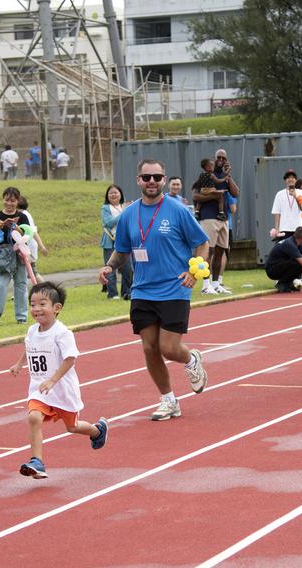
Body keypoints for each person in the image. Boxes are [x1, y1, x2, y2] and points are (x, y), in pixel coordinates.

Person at [98, 158, 210, 421]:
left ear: (163, 179)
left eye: (157, 177)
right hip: (142, 291)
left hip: (175, 288)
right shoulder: (128, 214)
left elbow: (202, 244)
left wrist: (195, 271)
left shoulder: (177, 210)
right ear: (138, 180)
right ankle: (169, 400)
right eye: (146, 177)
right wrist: (108, 267)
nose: (152, 182)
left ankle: (191, 359)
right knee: (149, 348)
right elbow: (122, 251)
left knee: (169, 348)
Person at [9, 281, 109, 479]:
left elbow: (70, 358)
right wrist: (19, 364)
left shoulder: (62, 333)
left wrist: (53, 380)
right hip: (40, 388)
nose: (36, 309)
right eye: (32, 304)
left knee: (72, 427)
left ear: (57, 308)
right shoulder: (31, 331)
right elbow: (29, 347)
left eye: (42, 304)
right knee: (34, 417)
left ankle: (98, 431)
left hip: (62, 388)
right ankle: (37, 461)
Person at [195, 149, 239, 295]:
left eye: (223, 158)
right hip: (209, 217)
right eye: (218, 157)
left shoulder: (224, 176)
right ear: (213, 159)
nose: (220, 159)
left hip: (224, 218)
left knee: (220, 252)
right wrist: (213, 197)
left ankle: (215, 284)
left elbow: (235, 193)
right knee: (209, 251)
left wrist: (228, 175)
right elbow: (195, 196)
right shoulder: (206, 175)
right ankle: (205, 285)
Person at [0, 187, 31, 326]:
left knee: (21, 284)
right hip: (2, 253)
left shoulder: (22, 216)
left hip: (19, 252)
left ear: (17, 201)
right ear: (3, 200)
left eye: (13, 200)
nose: (9, 203)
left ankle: (21, 317)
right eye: (7, 200)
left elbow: (27, 235)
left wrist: (16, 227)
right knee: (1, 285)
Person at [264, 227, 302, 292]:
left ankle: (288, 283)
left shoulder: (300, 245)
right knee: (299, 263)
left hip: (281, 265)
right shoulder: (290, 244)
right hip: (271, 269)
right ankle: (281, 283)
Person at [100, 184, 133, 300]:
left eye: (116, 192)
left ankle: (126, 292)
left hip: (125, 241)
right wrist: (124, 213)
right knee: (110, 268)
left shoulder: (125, 207)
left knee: (128, 269)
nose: (113, 195)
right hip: (110, 241)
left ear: (121, 195)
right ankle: (112, 294)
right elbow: (109, 222)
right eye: (111, 193)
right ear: (107, 196)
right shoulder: (105, 208)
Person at [17, 196, 49, 281]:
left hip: (29, 248)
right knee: (28, 273)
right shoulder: (23, 214)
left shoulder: (24, 215)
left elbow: (33, 232)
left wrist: (42, 247)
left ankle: (45, 289)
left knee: (33, 273)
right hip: (25, 247)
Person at [270, 170, 302, 242]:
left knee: (297, 251)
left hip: (297, 228)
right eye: (288, 178)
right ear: (285, 180)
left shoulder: (301, 192)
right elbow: (277, 213)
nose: (291, 179)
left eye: (293, 177)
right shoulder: (279, 194)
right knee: (284, 251)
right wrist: (277, 230)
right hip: (284, 229)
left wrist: (295, 196)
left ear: (296, 180)